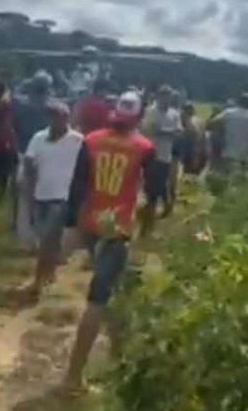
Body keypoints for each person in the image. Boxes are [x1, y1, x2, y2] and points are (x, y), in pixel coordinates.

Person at [62, 91, 156, 397]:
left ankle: (119, 355)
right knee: (98, 298)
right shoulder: (144, 148)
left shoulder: (90, 140)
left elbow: (77, 186)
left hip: (90, 224)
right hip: (117, 231)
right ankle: (73, 377)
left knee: (114, 289)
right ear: (139, 117)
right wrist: (145, 226)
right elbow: (151, 195)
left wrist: (70, 226)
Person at [21, 102, 84, 300]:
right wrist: (28, 193)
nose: (55, 120)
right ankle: (49, 273)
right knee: (47, 240)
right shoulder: (39, 138)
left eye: (59, 116)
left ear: (67, 118)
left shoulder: (78, 141)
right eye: (51, 116)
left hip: (63, 198)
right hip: (41, 196)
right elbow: (29, 165)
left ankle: (38, 281)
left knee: (47, 239)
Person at [12, 73, 54, 249]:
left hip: (24, 155)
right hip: (47, 158)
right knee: (44, 199)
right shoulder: (51, 107)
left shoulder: (21, 105)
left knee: (24, 200)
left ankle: (25, 239)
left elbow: (14, 96)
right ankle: (42, 236)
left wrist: (24, 83)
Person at [143, 86, 182, 218]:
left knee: (161, 183)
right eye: (163, 97)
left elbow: (178, 131)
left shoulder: (174, 114)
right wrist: (168, 132)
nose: (166, 100)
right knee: (151, 183)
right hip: (151, 152)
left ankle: (163, 205)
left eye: (168, 97)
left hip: (166, 154)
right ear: (158, 97)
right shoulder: (150, 111)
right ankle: (154, 207)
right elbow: (150, 129)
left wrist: (163, 131)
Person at [207, 92, 248, 173]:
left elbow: (210, 125)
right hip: (246, 156)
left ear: (238, 102)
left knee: (228, 179)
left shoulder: (229, 113)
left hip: (229, 154)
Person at [179, 102, 208, 176]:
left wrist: (195, 158)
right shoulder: (199, 120)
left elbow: (197, 140)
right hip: (200, 154)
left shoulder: (191, 123)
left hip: (193, 155)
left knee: (189, 178)